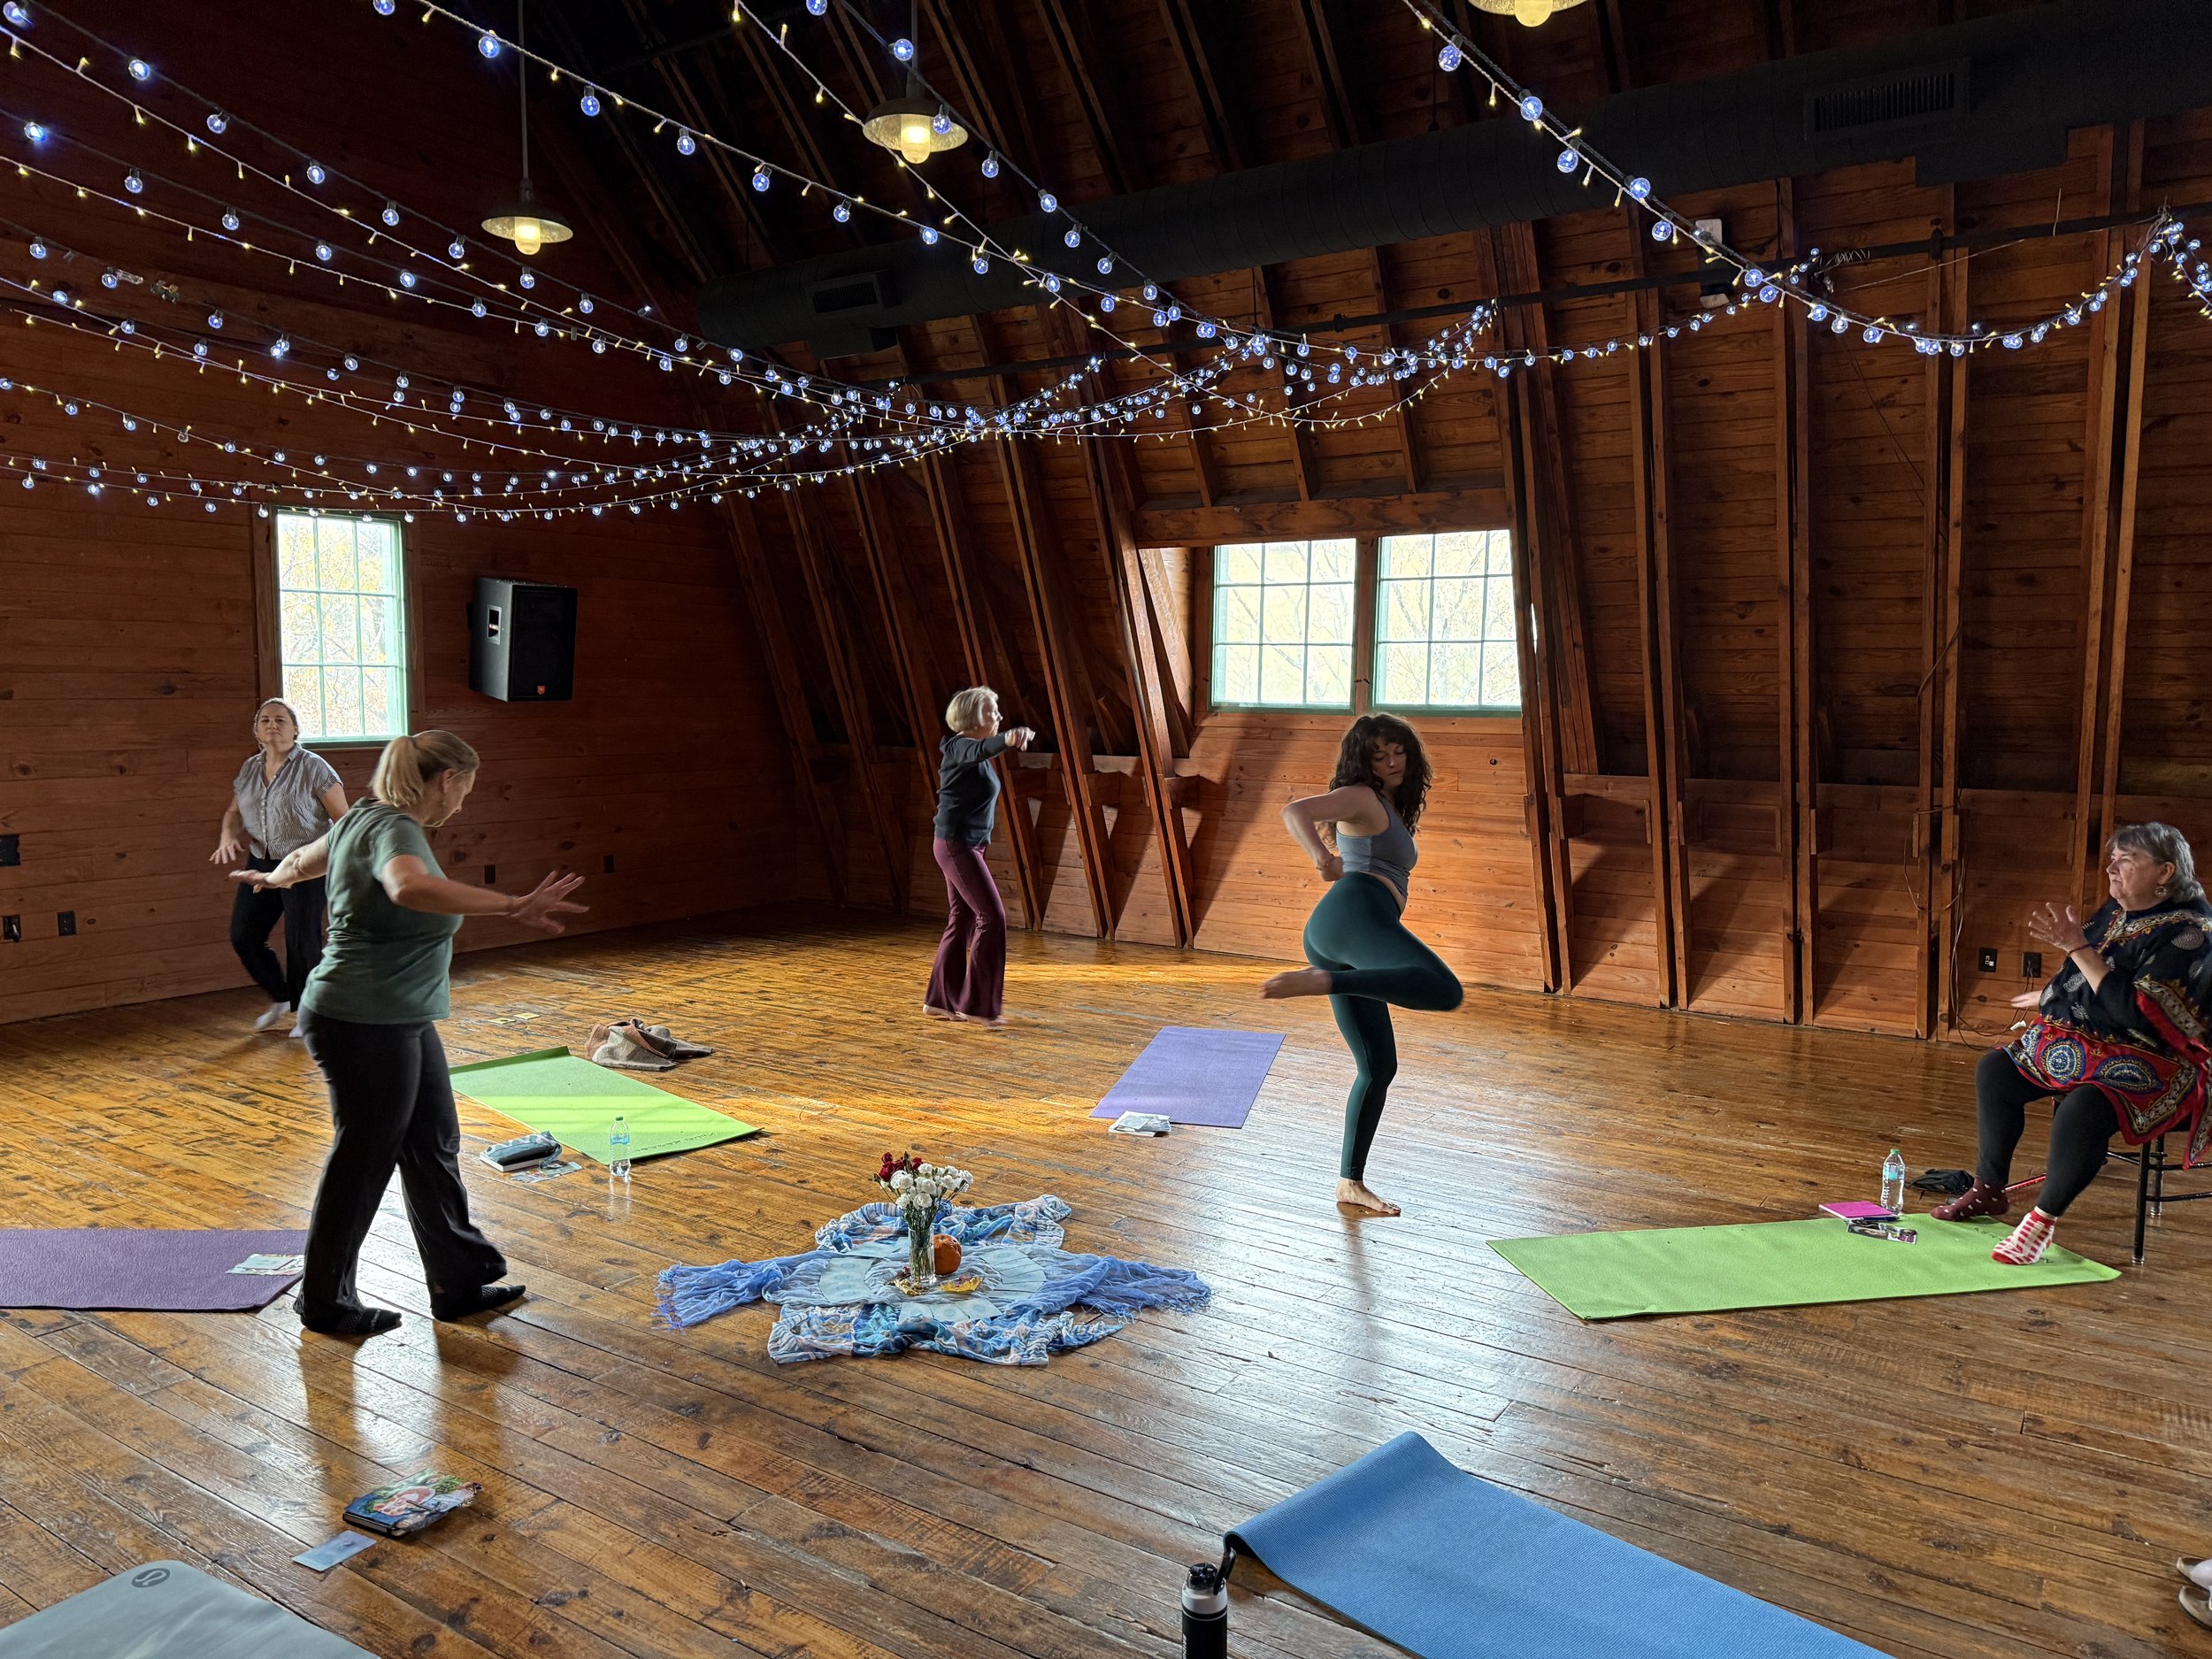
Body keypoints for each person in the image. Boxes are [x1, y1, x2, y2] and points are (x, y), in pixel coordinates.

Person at [234, 730, 586, 1337]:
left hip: (396, 1015)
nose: (462, 804)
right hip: (362, 1017)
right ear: (446, 779)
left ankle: (458, 1279)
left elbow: (297, 862)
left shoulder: (361, 818)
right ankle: (323, 1300)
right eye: (464, 789)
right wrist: (511, 905)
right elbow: (407, 886)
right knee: (364, 1156)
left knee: (433, 1141)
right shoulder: (395, 826)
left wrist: (271, 879)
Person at [1932, 824, 2212, 1263]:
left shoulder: (2190, 934)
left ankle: (2041, 1223)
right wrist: (2049, 997)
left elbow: (2137, 1015)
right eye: (2112, 859)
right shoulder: (2120, 909)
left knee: (2087, 1106)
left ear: (2165, 872)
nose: (2111, 869)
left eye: (2126, 860)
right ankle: (1988, 1190)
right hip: (2088, 1045)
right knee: (1997, 1071)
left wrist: (2077, 946)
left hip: (2158, 1059)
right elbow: (2083, 974)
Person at [1262, 713, 1463, 1217]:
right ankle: (1326, 981)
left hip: (1342, 928)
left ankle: (1350, 1183)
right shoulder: (1361, 796)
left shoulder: (1387, 803)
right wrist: (1320, 858)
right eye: (1379, 755)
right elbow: (1294, 811)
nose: (1393, 762)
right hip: (1354, 914)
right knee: (1443, 989)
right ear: (1362, 761)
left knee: (1378, 1066)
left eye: (1398, 751)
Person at [212, 698, 349, 1034]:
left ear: (295, 729)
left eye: (281, 720)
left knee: (301, 941)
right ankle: (281, 996)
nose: (273, 725)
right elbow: (233, 813)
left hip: (306, 864)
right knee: (244, 935)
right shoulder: (248, 769)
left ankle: (308, 1012)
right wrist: (227, 837)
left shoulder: (315, 767)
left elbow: (344, 821)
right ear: (256, 731)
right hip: (261, 861)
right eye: (265, 721)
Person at [925, 687, 1034, 1029]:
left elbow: (984, 751)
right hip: (956, 846)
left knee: (964, 918)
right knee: (992, 917)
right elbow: (982, 747)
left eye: (998, 712)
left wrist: (1004, 739)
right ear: (971, 719)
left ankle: (941, 1001)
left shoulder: (976, 755)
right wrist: (1009, 739)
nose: (999, 717)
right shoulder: (958, 747)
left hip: (967, 846)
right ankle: (980, 1006)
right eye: (992, 713)